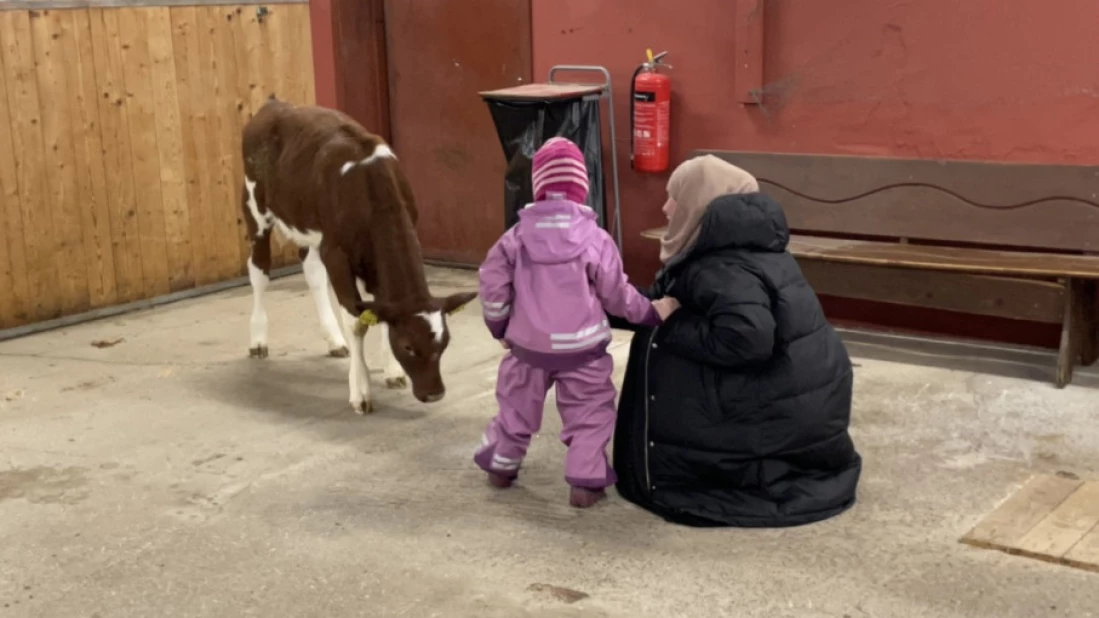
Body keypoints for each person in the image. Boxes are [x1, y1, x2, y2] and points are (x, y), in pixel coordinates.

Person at [611, 154, 862, 527]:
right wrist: (614, 305)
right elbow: (674, 305)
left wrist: (670, 322)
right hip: (795, 426)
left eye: (675, 197)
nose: (665, 208)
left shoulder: (720, 267)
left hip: (758, 440)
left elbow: (746, 339)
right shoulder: (751, 253)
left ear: (700, 204)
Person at [473, 137, 678, 508]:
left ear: (538, 187)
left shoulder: (514, 239)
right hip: (583, 349)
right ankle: (585, 482)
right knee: (590, 413)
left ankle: (501, 465)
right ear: (582, 187)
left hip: (527, 347)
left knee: (515, 407)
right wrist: (650, 312)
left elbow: (492, 286)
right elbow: (617, 295)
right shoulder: (596, 239)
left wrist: (499, 327)